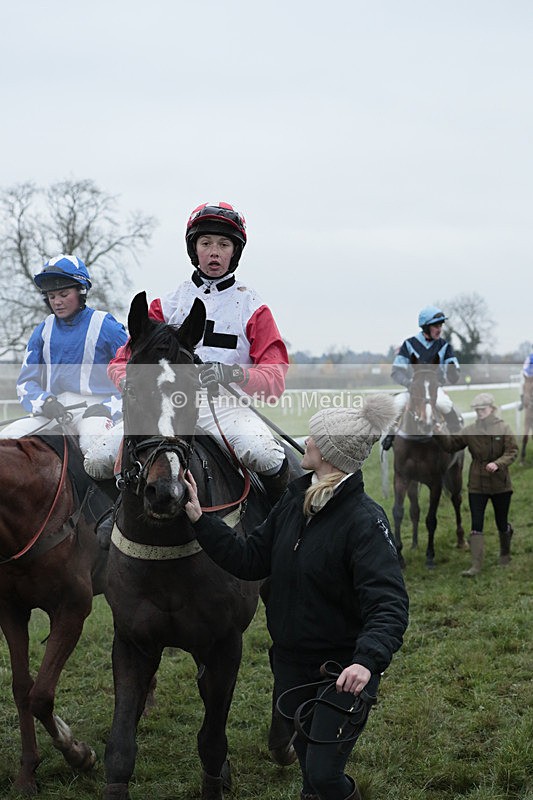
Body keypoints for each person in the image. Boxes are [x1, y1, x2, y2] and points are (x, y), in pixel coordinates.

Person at [183, 394, 409, 800]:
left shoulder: (365, 522)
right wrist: (202, 521)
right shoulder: (294, 501)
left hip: (342, 672)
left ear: (333, 454)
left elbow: (389, 605)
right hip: (290, 666)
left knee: (323, 775)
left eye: (315, 438)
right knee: (309, 771)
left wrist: (365, 661)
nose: (306, 441)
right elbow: (250, 559)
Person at [108, 201, 290, 503]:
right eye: (205, 243)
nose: (214, 251)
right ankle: (108, 525)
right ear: (195, 250)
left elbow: (275, 378)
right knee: (98, 458)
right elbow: (121, 361)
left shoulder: (253, 308)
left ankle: (278, 527)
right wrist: (129, 381)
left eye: (223, 244)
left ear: (235, 252)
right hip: (164, 406)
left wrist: (232, 372)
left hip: (226, 408)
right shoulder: (165, 305)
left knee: (265, 454)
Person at [3, 254, 128, 480]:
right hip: (55, 409)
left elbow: (134, 377)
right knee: (6, 442)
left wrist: (109, 407)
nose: (57, 301)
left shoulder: (106, 325)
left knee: (96, 453)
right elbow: (25, 383)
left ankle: (113, 512)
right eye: (51, 296)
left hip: (97, 409)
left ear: (81, 292)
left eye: (63, 294)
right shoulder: (42, 331)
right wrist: (45, 402)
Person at [435, 392, 518, 577]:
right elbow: (450, 445)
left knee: (501, 521)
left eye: (483, 409)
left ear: (492, 409)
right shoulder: (470, 430)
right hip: (477, 484)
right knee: (476, 523)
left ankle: (505, 554)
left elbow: (512, 451)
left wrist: (498, 464)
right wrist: (439, 433)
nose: (480, 412)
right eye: (477, 410)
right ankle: (476, 565)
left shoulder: (503, 427)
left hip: (501, 484)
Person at [382, 305, 462, 450]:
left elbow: (454, 371)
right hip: (414, 388)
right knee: (398, 403)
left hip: (434, 389)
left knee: (443, 403)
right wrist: (409, 383)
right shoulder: (409, 344)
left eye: (441, 326)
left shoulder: (444, 346)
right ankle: (390, 435)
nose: (439, 329)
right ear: (425, 327)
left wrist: (453, 371)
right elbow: (396, 371)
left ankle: (455, 431)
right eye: (435, 326)